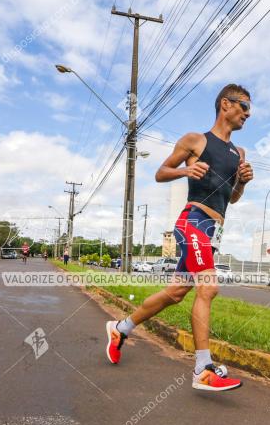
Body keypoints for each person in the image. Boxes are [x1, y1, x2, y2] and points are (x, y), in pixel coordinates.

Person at [103, 84, 254, 392]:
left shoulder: (239, 153)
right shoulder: (196, 140)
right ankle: (202, 369)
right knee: (208, 288)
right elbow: (161, 172)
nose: (248, 115)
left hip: (214, 231)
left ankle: (121, 328)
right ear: (226, 104)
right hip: (193, 221)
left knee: (175, 293)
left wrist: (243, 182)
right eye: (244, 107)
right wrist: (186, 172)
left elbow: (232, 198)